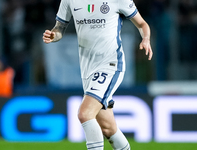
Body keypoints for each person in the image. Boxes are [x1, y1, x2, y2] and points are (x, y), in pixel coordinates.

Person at [43, 0, 153, 149]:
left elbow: (142, 24)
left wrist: (145, 39)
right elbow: (59, 28)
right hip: (87, 69)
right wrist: (53, 35)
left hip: (111, 64)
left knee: (85, 114)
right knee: (108, 127)